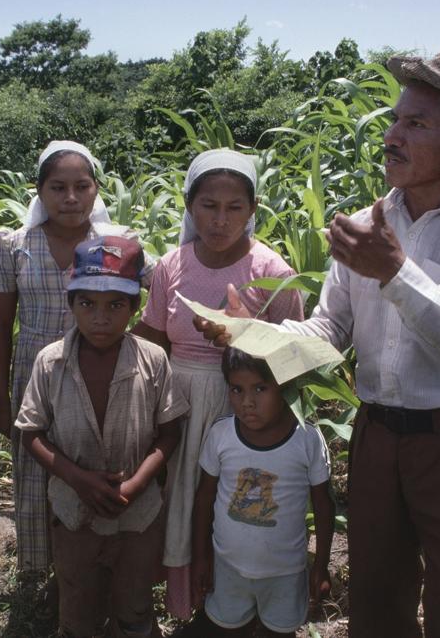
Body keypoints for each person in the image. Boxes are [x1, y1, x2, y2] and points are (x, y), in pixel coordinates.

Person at [196, 42, 440, 638]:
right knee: (378, 599)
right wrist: (255, 329)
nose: (392, 135)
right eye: (394, 118)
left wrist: (397, 273)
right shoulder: (365, 227)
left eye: (416, 123)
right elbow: (331, 331)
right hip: (379, 437)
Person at [131, 148, 305, 620]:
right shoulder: (172, 266)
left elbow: (297, 359)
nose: (220, 220)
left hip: (243, 411)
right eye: (209, 205)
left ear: (252, 211)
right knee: (184, 500)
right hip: (181, 404)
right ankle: (190, 602)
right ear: (189, 205)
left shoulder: (272, 273)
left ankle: (243, 603)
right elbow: (151, 338)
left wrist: (249, 331)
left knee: (235, 503)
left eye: (234, 208)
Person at [14, 235, 189, 638]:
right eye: (87, 304)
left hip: (139, 514)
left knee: (135, 602)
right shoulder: (50, 361)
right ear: (71, 303)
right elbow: (32, 434)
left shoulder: (152, 359)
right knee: (78, 604)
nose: (100, 318)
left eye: (115, 305)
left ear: (133, 308)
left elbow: (169, 432)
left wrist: (137, 483)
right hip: (74, 513)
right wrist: (78, 479)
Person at [0, 140, 130, 580]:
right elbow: (1, 326)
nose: (70, 198)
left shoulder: (115, 245)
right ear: (39, 191)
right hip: (34, 371)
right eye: (58, 187)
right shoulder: (14, 245)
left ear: (96, 190)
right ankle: (46, 569)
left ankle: (96, 567)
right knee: (36, 473)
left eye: (81, 186)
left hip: (96, 370)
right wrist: (0, 398)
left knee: (93, 464)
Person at [191, 347, 334, 637]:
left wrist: (320, 564)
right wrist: (202, 556)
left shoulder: (306, 439)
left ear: (284, 386)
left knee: (279, 632)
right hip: (228, 566)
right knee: (227, 629)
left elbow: (324, 506)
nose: (247, 402)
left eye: (260, 388)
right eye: (237, 389)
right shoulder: (222, 435)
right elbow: (204, 499)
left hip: (285, 573)